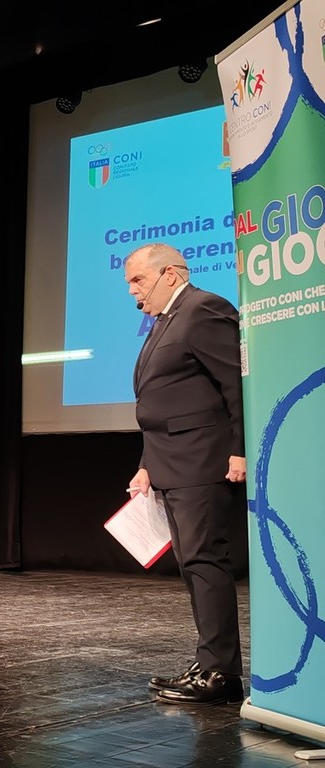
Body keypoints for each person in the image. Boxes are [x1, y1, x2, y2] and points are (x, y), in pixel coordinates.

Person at [124, 243, 246, 705]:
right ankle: (210, 660)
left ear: (170, 275)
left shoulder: (203, 309)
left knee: (204, 561)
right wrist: (146, 465)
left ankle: (222, 674)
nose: (133, 291)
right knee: (191, 563)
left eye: (138, 280)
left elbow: (236, 383)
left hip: (201, 460)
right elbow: (163, 402)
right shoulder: (165, 320)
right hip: (172, 461)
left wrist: (239, 449)